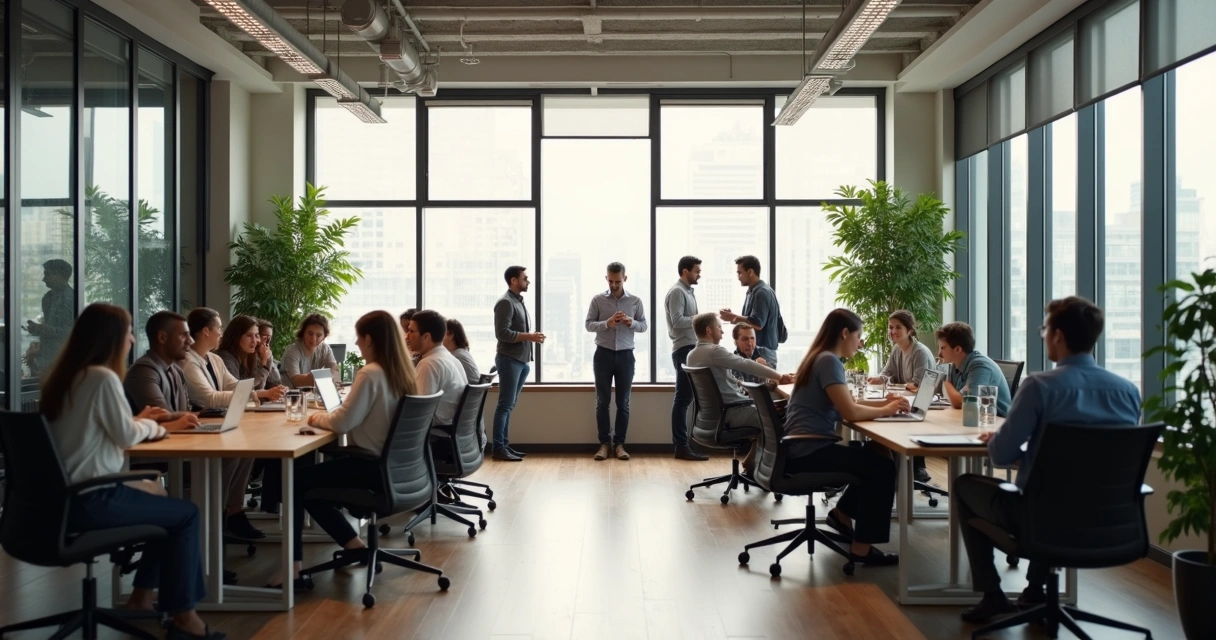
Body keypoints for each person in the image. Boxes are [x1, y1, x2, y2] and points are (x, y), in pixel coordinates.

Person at [41, 303, 225, 640]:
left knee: (165, 505)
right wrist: (157, 428)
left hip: (58, 500)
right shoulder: (102, 377)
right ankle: (185, 618)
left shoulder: (68, 377)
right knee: (185, 514)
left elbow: (103, 427)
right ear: (111, 338)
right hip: (91, 498)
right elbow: (125, 436)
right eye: (127, 332)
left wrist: (137, 421)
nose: (130, 340)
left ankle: (141, 598)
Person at [957, 297, 1142, 624]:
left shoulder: (1040, 386)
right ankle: (1032, 592)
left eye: (1044, 329)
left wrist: (1008, 445)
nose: (1043, 335)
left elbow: (1001, 455)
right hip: (1111, 524)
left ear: (1057, 335)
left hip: (1039, 522)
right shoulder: (1128, 391)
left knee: (964, 486)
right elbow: (1098, 460)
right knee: (1058, 489)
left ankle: (992, 594)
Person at [267, 310, 418, 590]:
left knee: (293, 481)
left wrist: (314, 418)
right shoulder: (404, 371)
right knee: (307, 484)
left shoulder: (371, 373)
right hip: (400, 468)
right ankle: (353, 544)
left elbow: (342, 422)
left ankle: (293, 570)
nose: (357, 345)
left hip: (371, 467)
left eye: (359, 339)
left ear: (370, 339)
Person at [783, 309, 908, 566]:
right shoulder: (829, 361)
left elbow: (844, 402)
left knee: (878, 450)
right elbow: (848, 411)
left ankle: (842, 513)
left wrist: (883, 402)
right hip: (810, 450)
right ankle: (861, 550)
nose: (860, 342)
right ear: (844, 333)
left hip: (801, 446)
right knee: (882, 467)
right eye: (858, 335)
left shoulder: (819, 357)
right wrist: (887, 410)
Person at [182, 307, 262, 541]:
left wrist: (248, 392)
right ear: (206, 331)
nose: (221, 333)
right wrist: (251, 394)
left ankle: (233, 510)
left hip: (218, 422)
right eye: (218, 328)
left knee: (248, 449)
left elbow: (235, 385)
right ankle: (218, 514)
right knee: (235, 451)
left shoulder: (214, 359)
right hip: (199, 425)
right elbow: (209, 397)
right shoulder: (188, 361)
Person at [685, 313, 794, 475]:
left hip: (710, 418)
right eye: (719, 328)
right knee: (776, 418)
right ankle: (771, 472)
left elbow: (721, 383)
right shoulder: (714, 351)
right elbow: (744, 364)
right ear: (709, 330)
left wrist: (740, 385)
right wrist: (779, 377)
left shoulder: (691, 355)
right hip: (731, 412)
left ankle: (753, 463)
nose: (722, 332)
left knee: (768, 414)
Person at [585, 262, 648, 461]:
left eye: (617, 281)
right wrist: (608, 323)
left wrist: (631, 322)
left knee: (623, 403)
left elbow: (644, 325)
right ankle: (604, 444)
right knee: (602, 402)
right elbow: (588, 325)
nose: (613, 285)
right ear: (606, 278)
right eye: (610, 281)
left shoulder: (636, 301)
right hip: (603, 354)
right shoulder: (597, 300)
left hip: (626, 356)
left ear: (625, 279)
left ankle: (619, 444)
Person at [868, 310, 937, 483]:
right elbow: (887, 372)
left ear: (910, 330)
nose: (892, 331)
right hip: (905, 401)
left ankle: (916, 467)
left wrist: (894, 385)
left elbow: (917, 386)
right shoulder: (897, 350)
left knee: (891, 413)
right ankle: (892, 467)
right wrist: (879, 378)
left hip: (926, 405)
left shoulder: (919, 352)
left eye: (898, 327)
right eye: (890, 327)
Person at [492, 266, 544, 462]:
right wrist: (529, 336)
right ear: (514, 280)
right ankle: (499, 448)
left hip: (521, 361)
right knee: (505, 405)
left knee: (509, 405)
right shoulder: (505, 303)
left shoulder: (517, 301)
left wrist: (529, 338)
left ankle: (504, 446)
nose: (528, 281)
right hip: (509, 360)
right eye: (525, 278)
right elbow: (502, 333)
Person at [124, 311, 201, 433]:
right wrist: (196, 414)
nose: (190, 341)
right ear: (162, 338)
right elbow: (163, 417)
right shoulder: (143, 371)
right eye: (184, 335)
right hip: (153, 449)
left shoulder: (176, 370)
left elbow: (183, 415)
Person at [665, 256, 709, 461]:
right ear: (685, 271)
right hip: (683, 349)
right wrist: (700, 319)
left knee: (688, 398)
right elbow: (677, 321)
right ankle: (681, 447)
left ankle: (686, 446)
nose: (699, 274)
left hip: (691, 349)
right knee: (683, 399)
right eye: (696, 271)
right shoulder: (677, 292)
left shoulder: (688, 292)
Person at [719, 255, 783, 369]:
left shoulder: (761, 293)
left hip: (762, 352)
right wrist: (733, 317)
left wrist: (734, 317)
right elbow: (751, 321)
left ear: (750, 272)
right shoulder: (753, 291)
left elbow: (757, 324)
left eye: (740, 273)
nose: (738, 277)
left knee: (765, 386)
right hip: (758, 351)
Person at [935, 322, 1011, 415]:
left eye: (943, 348)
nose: (939, 353)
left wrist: (945, 378)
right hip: (971, 417)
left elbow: (961, 402)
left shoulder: (980, 366)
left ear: (958, 349)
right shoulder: (955, 364)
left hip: (995, 422)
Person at [407, 309, 467, 425]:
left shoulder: (429, 364)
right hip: (452, 429)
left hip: (437, 431)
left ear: (426, 337)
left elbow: (420, 413)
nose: (407, 336)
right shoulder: (451, 359)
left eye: (411, 331)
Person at [216, 315, 287, 400]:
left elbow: (259, 388)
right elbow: (240, 392)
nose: (255, 341)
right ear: (236, 336)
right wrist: (263, 365)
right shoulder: (226, 358)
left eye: (256, 335)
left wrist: (266, 360)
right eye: (249, 335)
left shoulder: (249, 356)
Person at [26, 258, 76, 373]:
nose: (43, 279)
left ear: (59, 275)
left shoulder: (72, 300)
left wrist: (42, 330)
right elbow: (51, 327)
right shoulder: (47, 298)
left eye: (47, 274)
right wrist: (37, 331)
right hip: (47, 362)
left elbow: (72, 333)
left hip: (64, 361)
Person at [281, 314, 340, 387]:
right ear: (303, 333)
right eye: (310, 333)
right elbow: (297, 381)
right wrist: (323, 377)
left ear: (324, 336)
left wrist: (332, 376)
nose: (314, 338)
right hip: (290, 395)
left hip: (311, 395)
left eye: (318, 335)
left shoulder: (325, 349)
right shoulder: (292, 351)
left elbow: (335, 371)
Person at [444, 318, 480, 384]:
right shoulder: (463, 353)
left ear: (450, 334)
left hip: (464, 393)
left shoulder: (456, 357)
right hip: (473, 393)